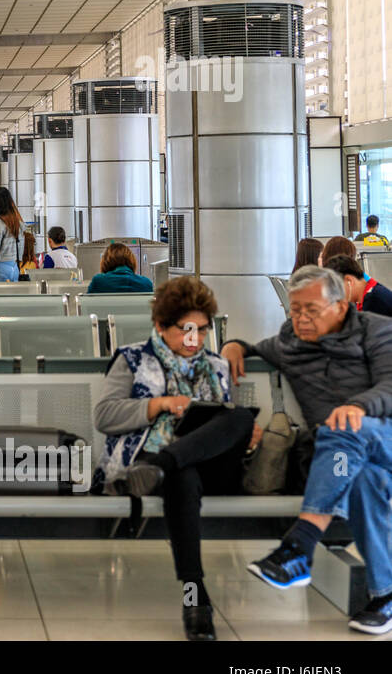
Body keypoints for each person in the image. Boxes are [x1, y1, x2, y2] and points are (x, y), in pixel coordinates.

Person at [220, 266, 392, 635]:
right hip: (347, 458)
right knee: (363, 479)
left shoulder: (377, 329)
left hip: (384, 436)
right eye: (295, 309)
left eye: (311, 310)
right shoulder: (290, 341)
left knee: (345, 425)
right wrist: (236, 345)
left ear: (341, 305)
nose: (301, 318)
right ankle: (385, 595)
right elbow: (256, 348)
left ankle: (299, 546)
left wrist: (359, 406)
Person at [92, 277, 255, 641]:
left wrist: (242, 432)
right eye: (185, 330)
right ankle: (195, 599)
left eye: (201, 329)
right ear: (161, 327)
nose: (194, 339)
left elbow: (225, 424)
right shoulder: (132, 359)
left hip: (211, 469)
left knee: (241, 418)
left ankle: (162, 464)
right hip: (169, 471)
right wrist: (159, 405)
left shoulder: (216, 364)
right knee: (182, 476)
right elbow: (104, 416)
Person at [326, 254, 392, 318]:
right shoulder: (371, 293)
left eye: (336, 289)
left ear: (349, 280)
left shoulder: (374, 301)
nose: (337, 296)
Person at [86, 243, 154, 293]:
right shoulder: (146, 283)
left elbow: (87, 309)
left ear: (106, 262)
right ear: (132, 260)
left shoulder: (98, 282)